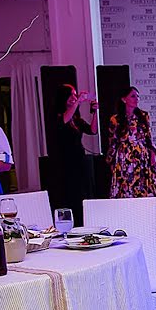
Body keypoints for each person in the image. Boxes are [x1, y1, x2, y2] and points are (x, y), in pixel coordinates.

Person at [107, 86, 156, 240]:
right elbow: (113, 142)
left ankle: (154, 231)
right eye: (132, 96)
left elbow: (149, 138)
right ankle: (129, 230)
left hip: (141, 160)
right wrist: (111, 163)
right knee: (127, 195)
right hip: (124, 161)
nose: (136, 99)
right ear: (124, 99)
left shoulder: (143, 116)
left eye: (137, 96)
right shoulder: (115, 120)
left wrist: (152, 155)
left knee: (152, 192)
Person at [53, 84, 98, 224]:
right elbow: (64, 121)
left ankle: (83, 222)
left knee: (82, 193)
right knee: (69, 194)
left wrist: (95, 112)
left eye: (75, 94)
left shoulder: (76, 119)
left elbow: (92, 130)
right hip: (65, 161)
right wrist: (79, 100)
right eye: (71, 95)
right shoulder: (58, 115)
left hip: (79, 159)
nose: (74, 97)